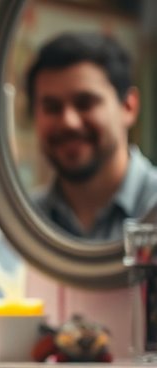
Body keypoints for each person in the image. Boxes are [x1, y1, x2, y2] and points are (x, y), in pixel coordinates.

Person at [26, 31, 157, 241]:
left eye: (85, 103)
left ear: (128, 107)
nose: (69, 122)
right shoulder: (20, 221)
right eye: (52, 107)